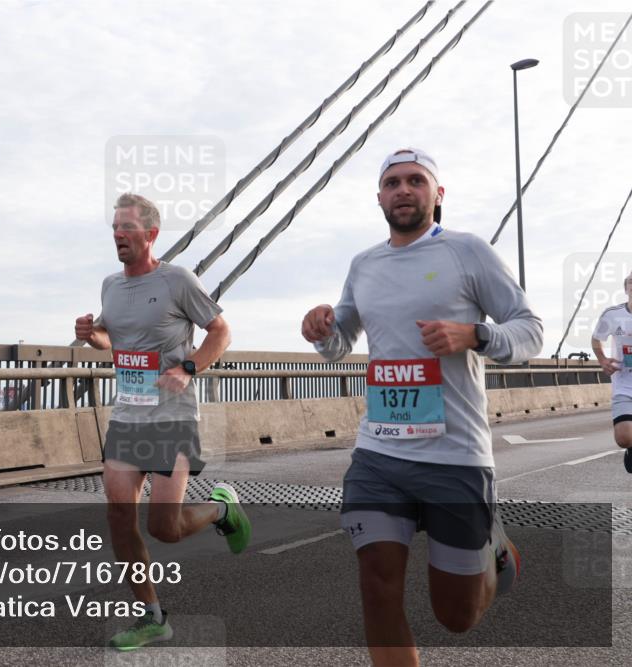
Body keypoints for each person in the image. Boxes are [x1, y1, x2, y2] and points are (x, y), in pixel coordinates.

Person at [301, 148, 542, 666]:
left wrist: (475, 334)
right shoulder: (363, 264)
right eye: (392, 183)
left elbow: (530, 330)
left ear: (438, 194)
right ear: (380, 197)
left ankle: (495, 553)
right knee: (377, 586)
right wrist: (321, 329)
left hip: (454, 455)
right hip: (378, 454)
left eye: (415, 180)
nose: (403, 190)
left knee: (456, 616)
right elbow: (341, 340)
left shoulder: (468, 252)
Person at [74, 192, 248, 651]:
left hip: (171, 419)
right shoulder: (111, 285)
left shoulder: (177, 281)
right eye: (114, 229)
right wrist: (90, 334)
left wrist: (188, 367)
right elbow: (110, 338)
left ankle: (221, 509)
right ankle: (153, 617)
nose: (118, 236)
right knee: (117, 515)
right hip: (128, 417)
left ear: (150, 235)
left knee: (163, 528)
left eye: (126, 229)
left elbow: (221, 331)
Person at [591, 270, 632, 473]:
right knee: (624, 438)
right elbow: (596, 339)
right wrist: (603, 360)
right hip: (624, 385)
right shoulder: (612, 314)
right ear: (626, 288)